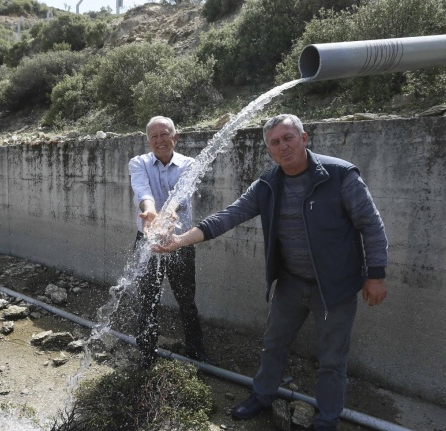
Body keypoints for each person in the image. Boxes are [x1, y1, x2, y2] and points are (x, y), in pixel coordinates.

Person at [152, 114, 388, 430]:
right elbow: (228, 216)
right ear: (269, 150)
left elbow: (371, 225)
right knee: (274, 343)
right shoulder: (268, 185)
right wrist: (179, 240)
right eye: (275, 142)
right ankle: (262, 395)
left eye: (288, 138)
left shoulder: (340, 175)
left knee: (332, 359)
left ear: (304, 139)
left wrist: (376, 274)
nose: (282, 146)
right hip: (291, 282)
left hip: (335, 286)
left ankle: (328, 417)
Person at [129, 115, 216, 369]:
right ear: (148, 141)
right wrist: (150, 211)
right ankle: (146, 354)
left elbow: (182, 193)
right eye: (154, 136)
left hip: (180, 241)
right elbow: (142, 190)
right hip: (148, 241)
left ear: (174, 137)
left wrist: (169, 213)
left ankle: (195, 350)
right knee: (147, 298)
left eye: (164, 134)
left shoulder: (189, 164)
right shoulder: (139, 163)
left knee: (186, 299)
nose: (159, 140)